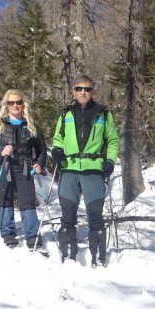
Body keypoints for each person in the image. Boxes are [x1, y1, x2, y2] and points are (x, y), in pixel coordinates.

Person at [51, 74, 120, 267]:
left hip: (93, 170)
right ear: (73, 91)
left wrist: (110, 160)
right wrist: (56, 150)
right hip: (69, 169)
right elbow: (58, 138)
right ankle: (68, 255)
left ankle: (98, 258)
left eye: (87, 89)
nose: (83, 92)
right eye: (79, 89)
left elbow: (113, 140)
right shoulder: (66, 113)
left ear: (92, 92)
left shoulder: (103, 114)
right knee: (67, 214)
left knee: (95, 215)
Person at [0, 90, 47, 251]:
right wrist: (1, 153)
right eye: (11, 103)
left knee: (27, 200)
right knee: (5, 199)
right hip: (2, 167)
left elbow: (42, 150)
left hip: (24, 168)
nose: (15, 106)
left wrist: (39, 163)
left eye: (18, 102)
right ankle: (8, 233)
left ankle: (32, 235)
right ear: (6, 106)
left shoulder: (31, 126)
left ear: (23, 104)